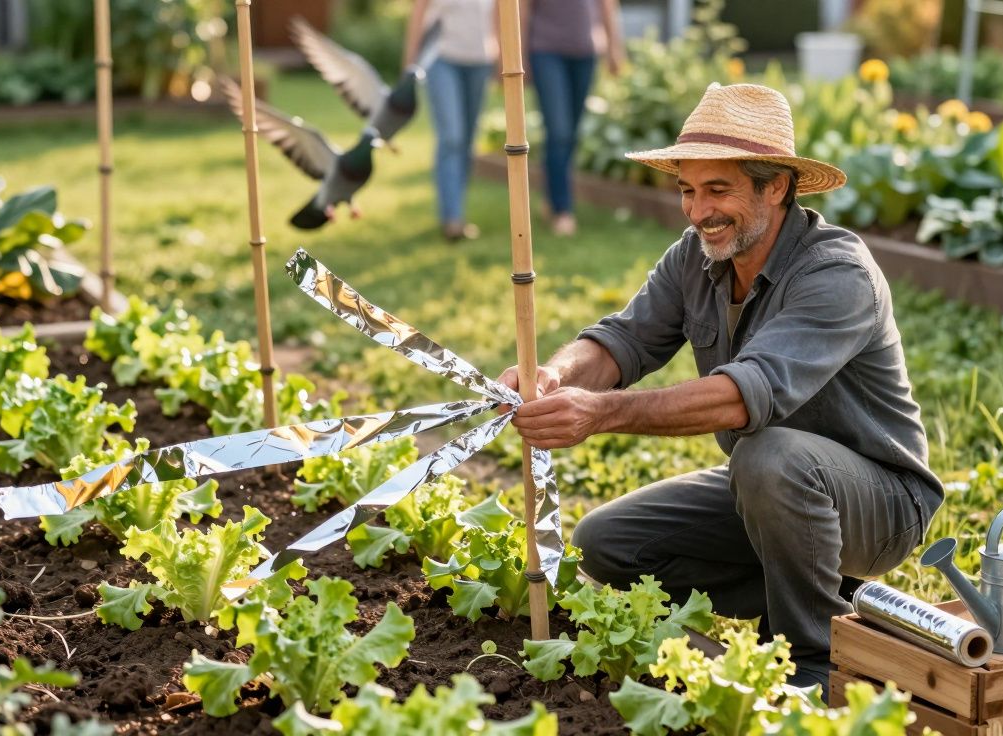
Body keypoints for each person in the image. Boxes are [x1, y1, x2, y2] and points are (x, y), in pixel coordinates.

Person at [499, 83, 944, 691]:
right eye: (687, 189)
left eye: (718, 189)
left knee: (768, 452)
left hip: (881, 502)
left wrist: (599, 412)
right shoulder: (694, 257)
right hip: (771, 487)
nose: (697, 209)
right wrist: (555, 374)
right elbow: (622, 341)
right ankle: (823, 592)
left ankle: (813, 661)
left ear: (776, 186)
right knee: (607, 544)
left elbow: (741, 396)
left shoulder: (838, 273)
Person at [521, 0, 625, 237]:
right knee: (559, 132)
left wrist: (613, 48)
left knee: (570, 135)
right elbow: (523, 7)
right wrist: (518, 57)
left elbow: (607, 5)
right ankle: (563, 210)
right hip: (545, 52)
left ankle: (552, 197)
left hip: (585, 53)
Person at [405, 0, 497, 242]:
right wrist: (411, 61)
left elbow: (500, 12)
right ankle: (452, 219)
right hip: (441, 59)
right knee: (451, 137)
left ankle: (457, 210)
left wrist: (503, 56)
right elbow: (419, 11)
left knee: (467, 140)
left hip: (480, 61)